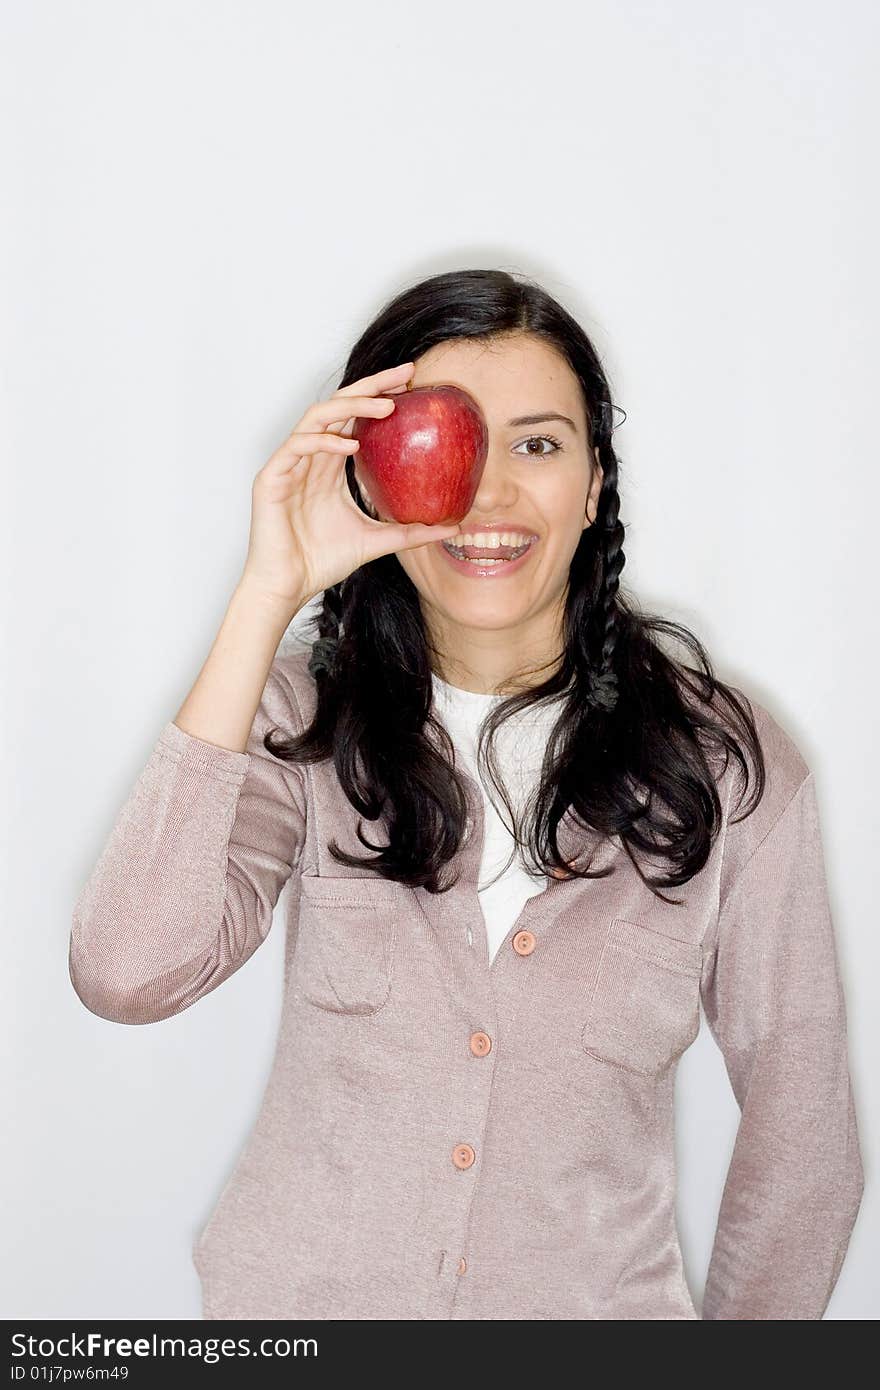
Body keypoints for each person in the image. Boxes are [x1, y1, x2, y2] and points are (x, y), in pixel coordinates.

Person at [69, 268, 865, 1320]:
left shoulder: (725, 759)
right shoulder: (299, 720)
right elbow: (129, 972)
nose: (489, 493)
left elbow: (801, 1138)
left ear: (592, 483)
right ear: (372, 472)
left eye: (537, 444)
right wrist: (268, 590)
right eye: (452, 442)